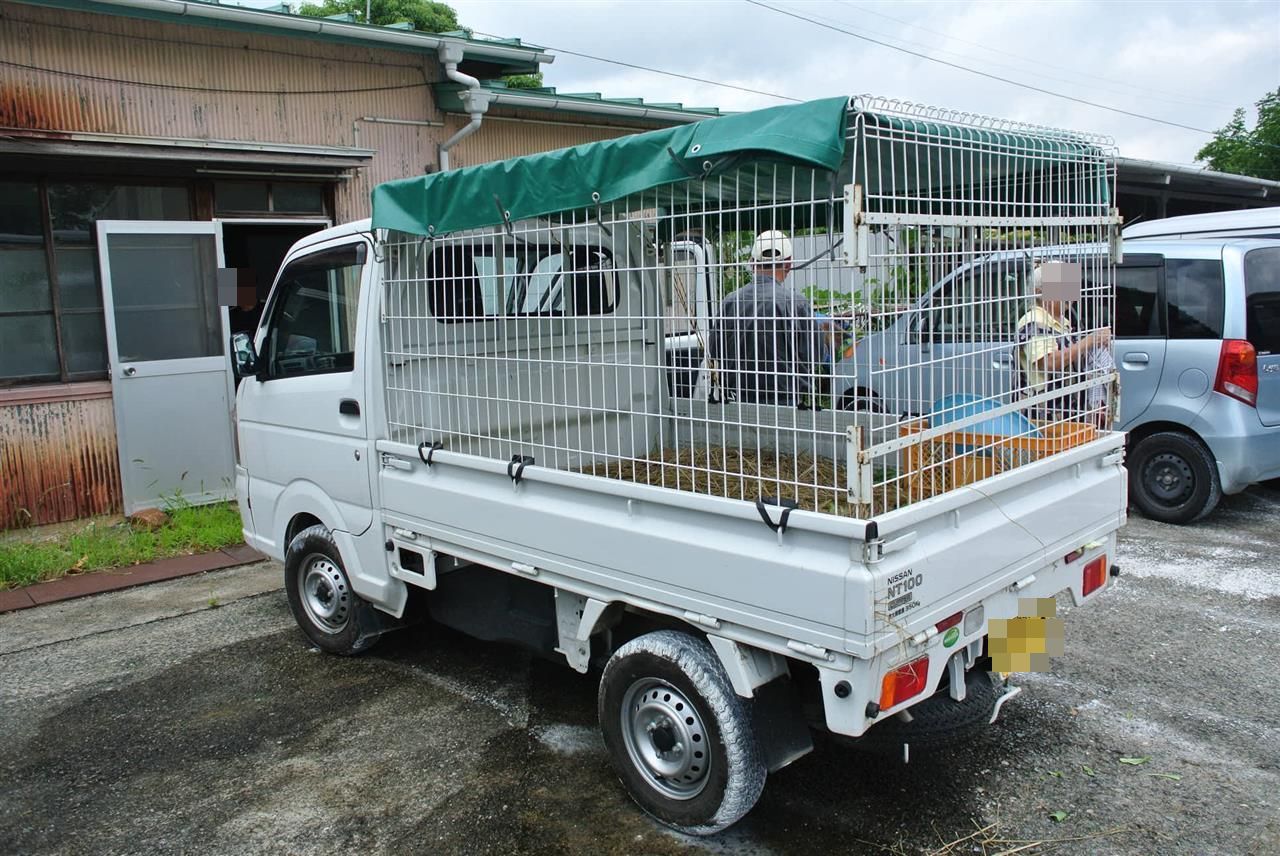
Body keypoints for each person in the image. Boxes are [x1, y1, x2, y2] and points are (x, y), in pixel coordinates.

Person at [707, 230, 820, 405]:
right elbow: (815, 355)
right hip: (786, 400)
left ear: (752, 263)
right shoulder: (796, 304)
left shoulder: (730, 302)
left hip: (739, 400)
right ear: (788, 264)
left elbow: (715, 351)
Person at [1014, 263, 1111, 420]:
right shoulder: (1033, 320)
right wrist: (1088, 342)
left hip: (1066, 412)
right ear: (1039, 292)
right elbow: (1049, 362)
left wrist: (1096, 343)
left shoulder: (1063, 322)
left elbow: (1073, 357)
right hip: (1041, 416)